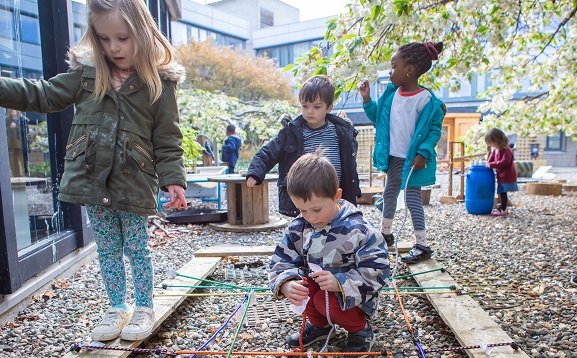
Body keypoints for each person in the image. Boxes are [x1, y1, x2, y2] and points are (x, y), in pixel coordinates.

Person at [0, 0, 188, 342]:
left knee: (136, 246)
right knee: (107, 248)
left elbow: (167, 137)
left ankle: (144, 305)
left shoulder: (159, 83)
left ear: (143, 33)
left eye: (122, 38)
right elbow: (42, 94)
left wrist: (174, 180)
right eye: (104, 38)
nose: (113, 47)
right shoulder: (87, 75)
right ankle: (116, 306)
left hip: (133, 181)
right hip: (90, 180)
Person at [269, 152, 389, 354]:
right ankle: (320, 326)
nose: (310, 217)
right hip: (319, 291)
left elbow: (377, 270)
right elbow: (281, 262)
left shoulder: (359, 230)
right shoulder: (299, 227)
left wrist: (340, 282)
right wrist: (287, 284)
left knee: (330, 301)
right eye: (302, 210)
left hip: (354, 298)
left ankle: (360, 330)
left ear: (337, 196)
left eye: (316, 209)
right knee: (305, 291)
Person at [358, 41, 446, 264]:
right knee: (389, 194)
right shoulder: (391, 94)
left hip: (412, 160)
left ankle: (422, 244)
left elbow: (433, 131)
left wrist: (423, 153)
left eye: (394, 65)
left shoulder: (426, 100)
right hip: (393, 157)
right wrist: (367, 100)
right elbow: (379, 118)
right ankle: (386, 234)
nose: (390, 71)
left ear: (409, 70)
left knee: (412, 198)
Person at [247, 75, 361, 217]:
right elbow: (268, 152)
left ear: (329, 107)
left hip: (334, 192)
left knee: (338, 228)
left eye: (316, 106)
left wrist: (354, 190)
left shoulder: (340, 132)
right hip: (306, 194)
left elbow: (350, 165)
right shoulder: (292, 133)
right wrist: (255, 172)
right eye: (305, 106)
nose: (310, 111)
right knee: (307, 228)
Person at [485, 128, 518, 216]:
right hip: (502, 175)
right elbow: (491, 158)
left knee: (503, 192)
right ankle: (502, 207)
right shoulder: (496, 149)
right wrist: (489, 162)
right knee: (501, 191)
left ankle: (503, 208)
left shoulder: (505, 150)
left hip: (507, 175)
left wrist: (492, 164)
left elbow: (505, 161)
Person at [5, 109, 27, 177]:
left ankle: (24, 174)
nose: (12, 110)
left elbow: (25, 131)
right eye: (11, 109)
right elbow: (5, 132)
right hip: (11, 144)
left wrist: (17, 126)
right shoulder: (7, 120)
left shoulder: (22, 119)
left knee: (22, 160)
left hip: (20, 145)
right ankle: (16, 175)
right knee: (13, 162)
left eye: (14, 109)